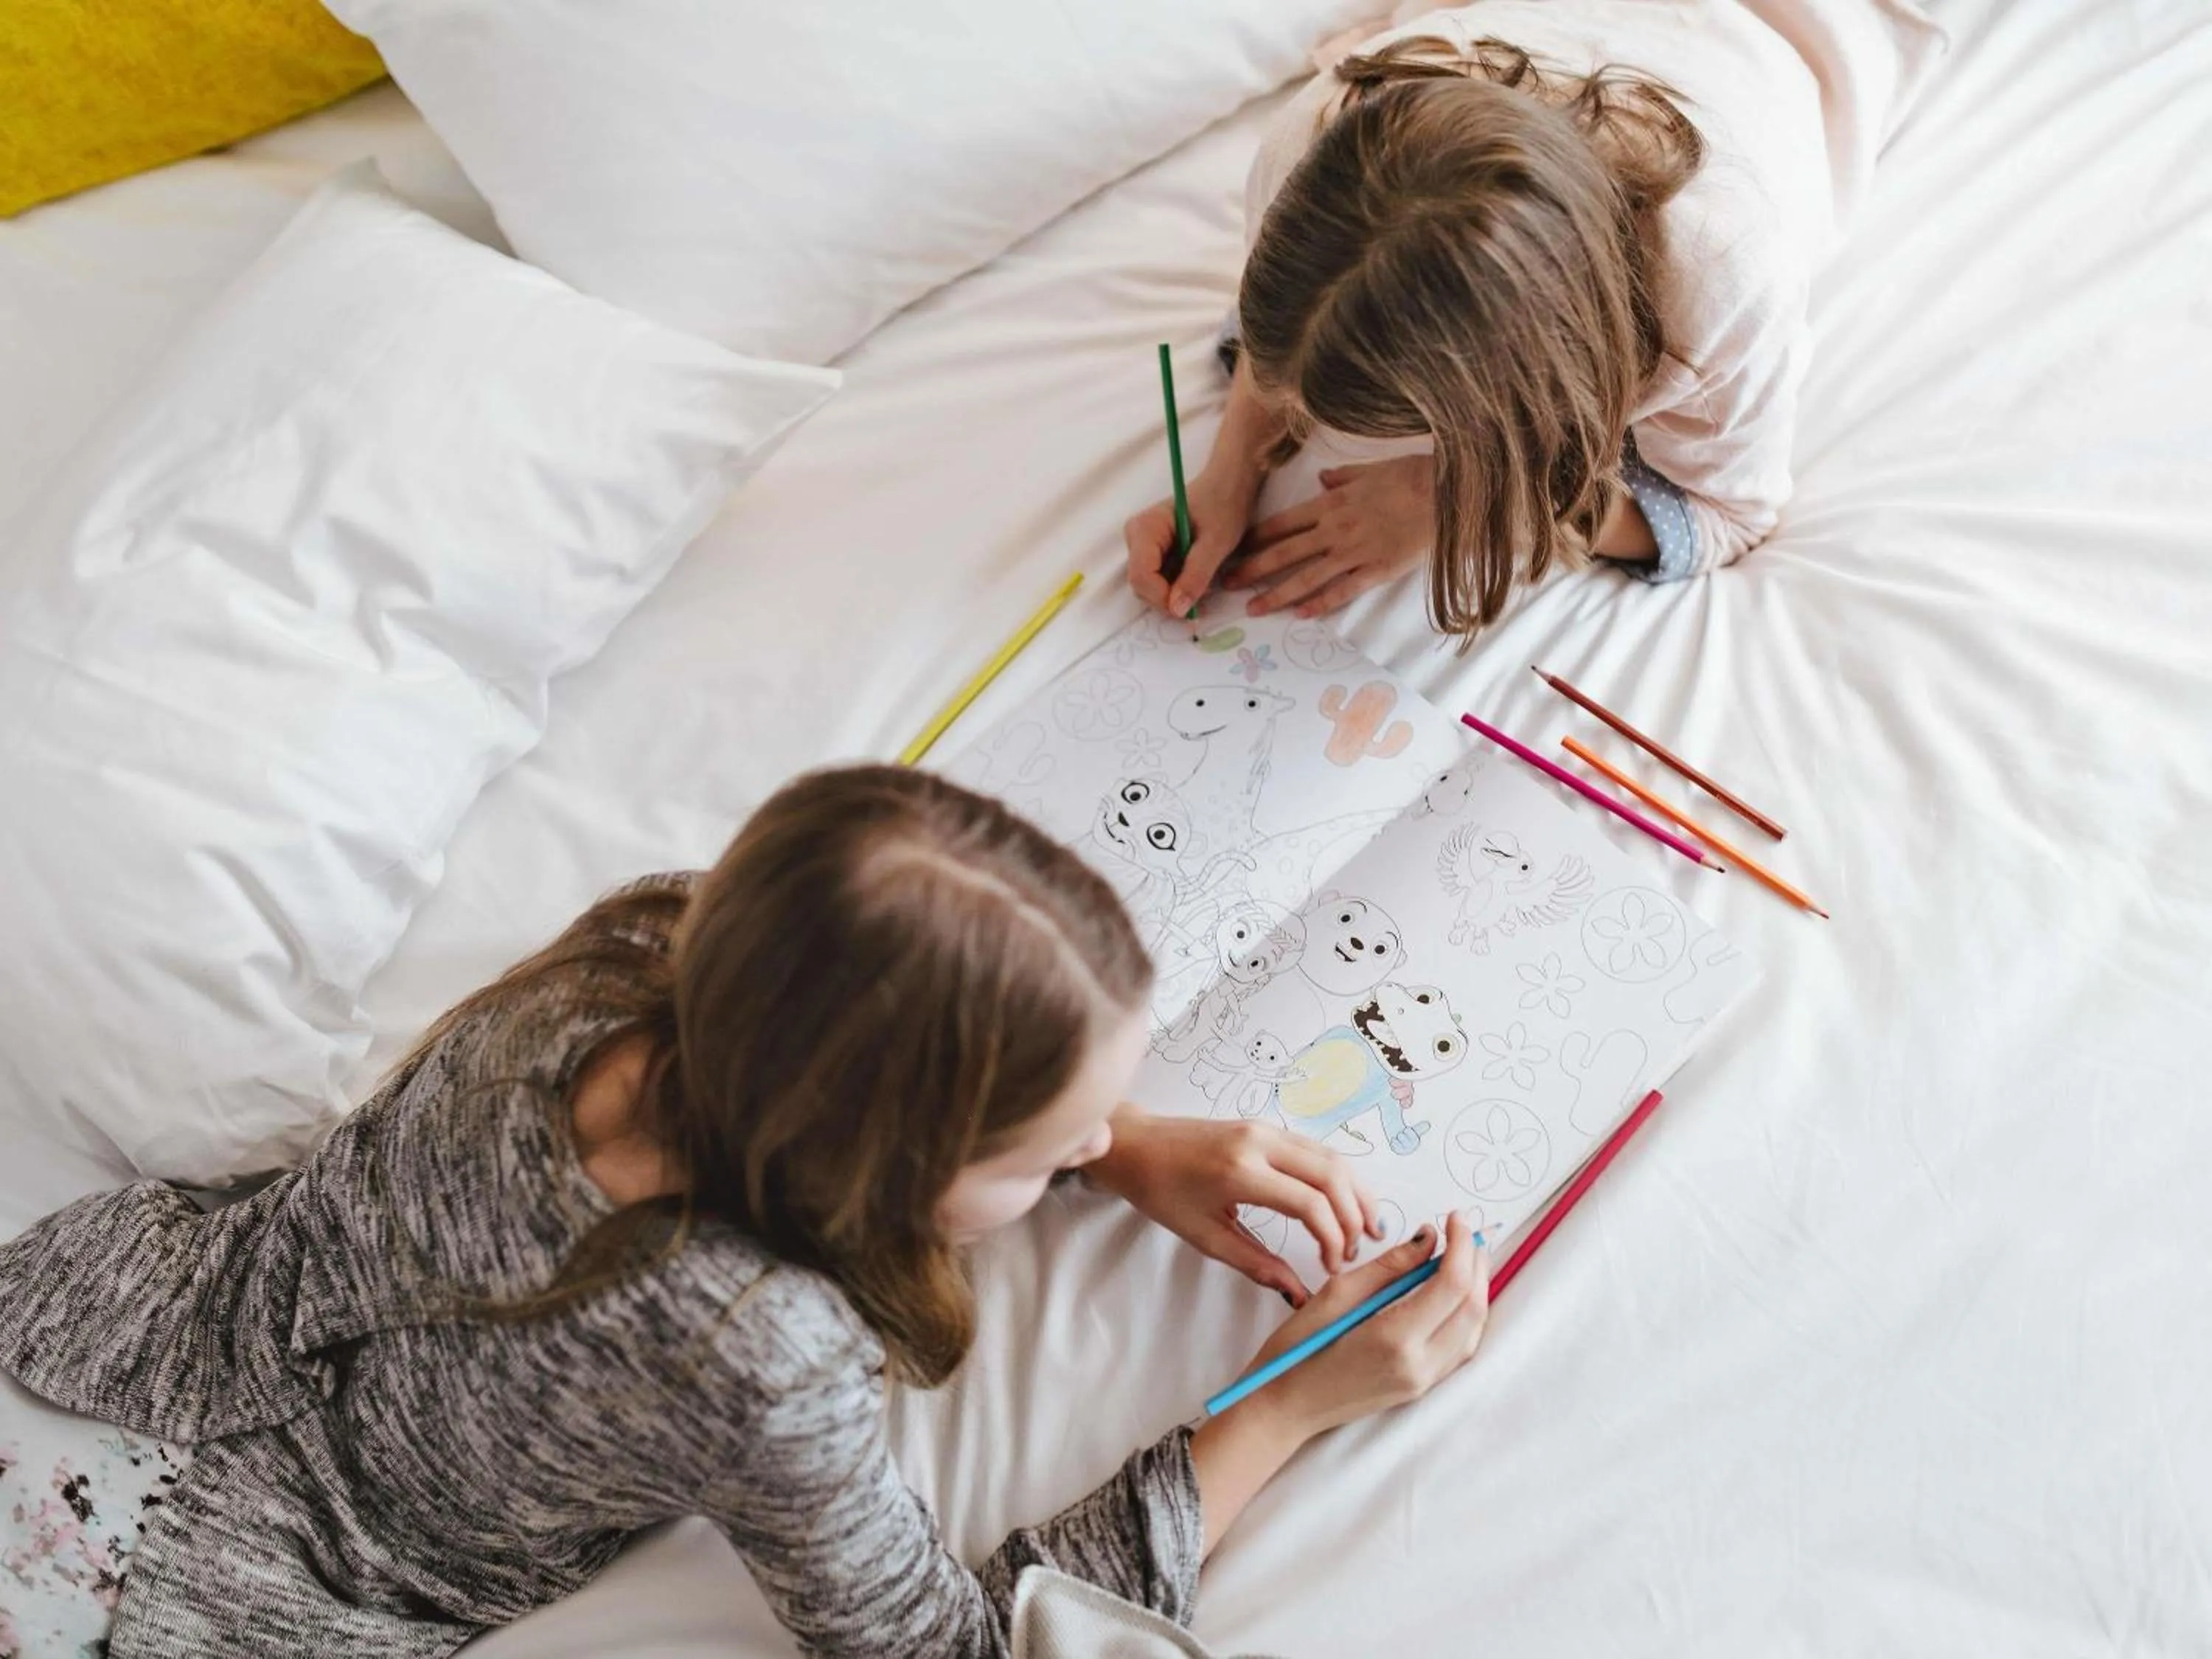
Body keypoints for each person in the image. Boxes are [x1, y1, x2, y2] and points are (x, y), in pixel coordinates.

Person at [0, 765, 1490, 1658]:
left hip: (96, 1323)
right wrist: (1282, 1408)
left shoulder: (646, 950)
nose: (1100, 1137)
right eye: (1045, 1147)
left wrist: (1113, 1145)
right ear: (881, 1173)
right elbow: (935, 1652)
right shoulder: (756, 1352)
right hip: (175, 1590)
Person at [1126, 0, 1942, 633]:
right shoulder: (1323, 124)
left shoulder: (1718, 285)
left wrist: (1459, 506)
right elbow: (1295, 335)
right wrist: (1228, 473)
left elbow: (1727, 513)